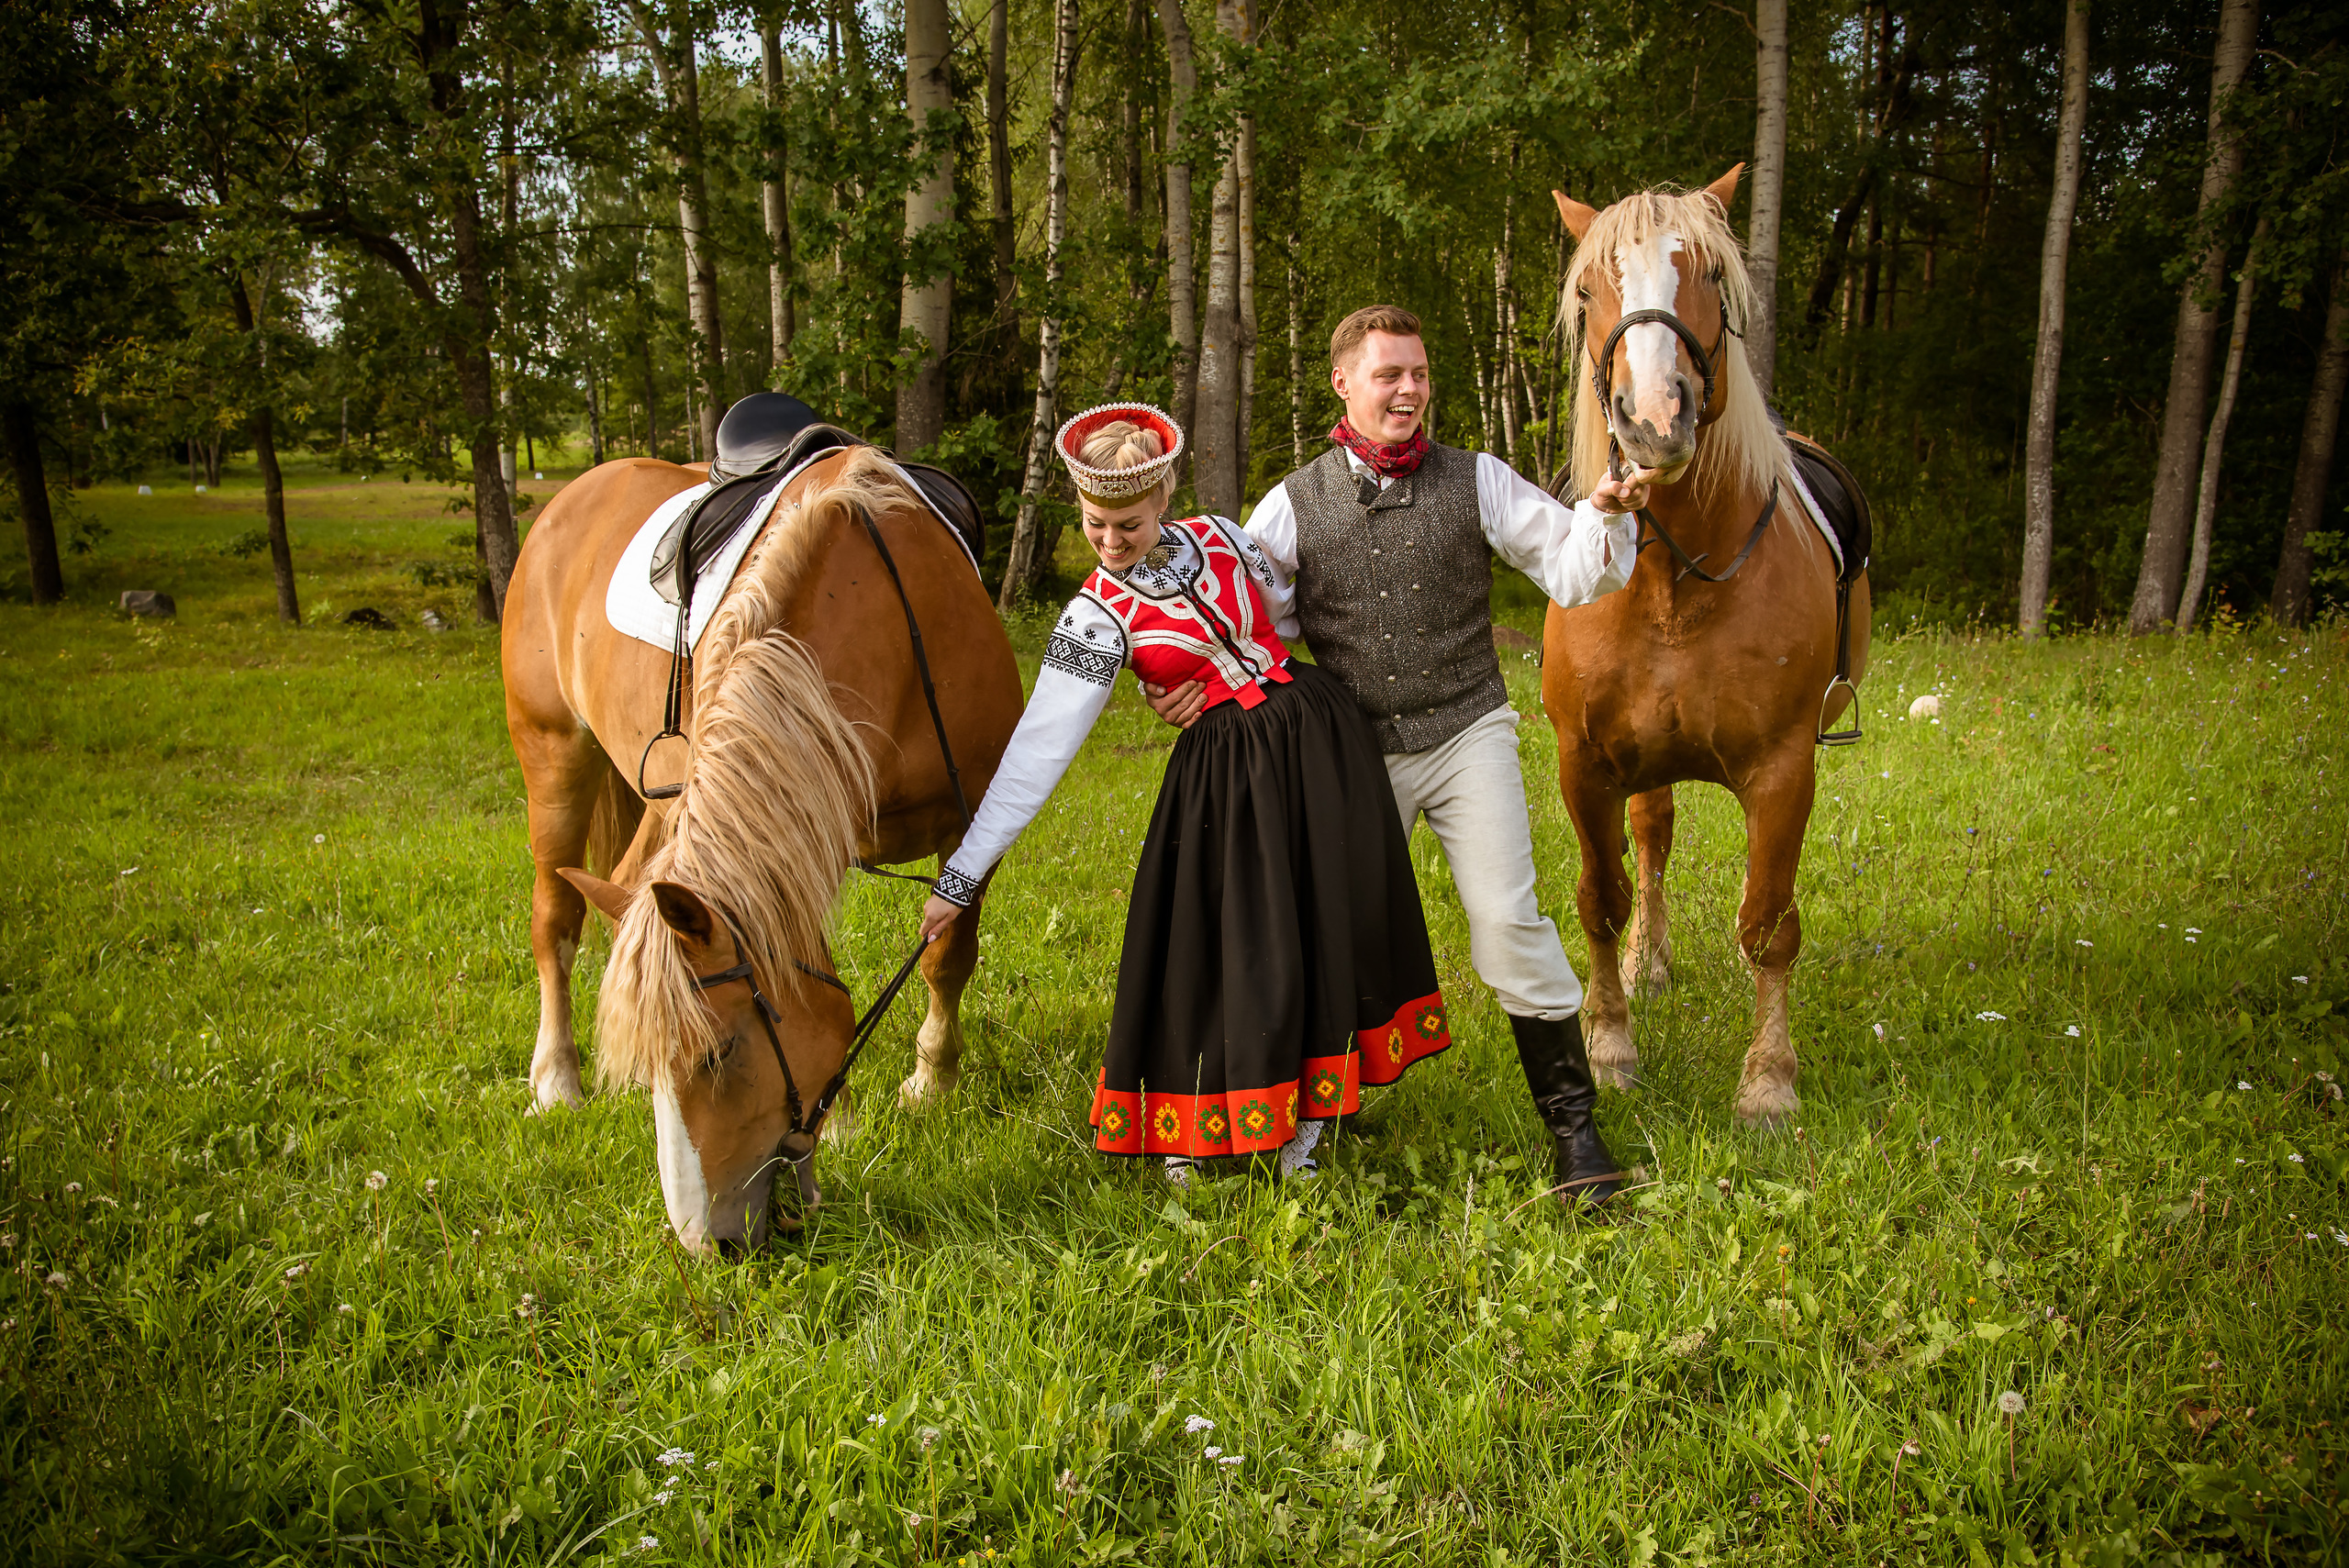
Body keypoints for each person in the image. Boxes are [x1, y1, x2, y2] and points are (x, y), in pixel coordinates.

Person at [1142, 305, 1654, 1210]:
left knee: (1506, 921)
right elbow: (1231, 615)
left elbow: (1577, 572)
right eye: (1389, 374)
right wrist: (1180, 679)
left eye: (1418, 373)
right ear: (1343, 383)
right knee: (1321, 930)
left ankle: (1574, 1128)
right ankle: (1310, 1112)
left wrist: (1605, 512)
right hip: (1344, 750)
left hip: (1466, 731)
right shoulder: (1291, 505)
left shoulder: (1478, 479)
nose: (1408, 390)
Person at [918, 404, 1453, 1184]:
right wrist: (961, 879)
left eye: (1127, 523)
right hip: (1226, 782)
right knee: (1235, 942)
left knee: (1320, 925)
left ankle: (1307, 1117)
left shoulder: (1224, 537)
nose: (1109, 541)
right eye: (1095, 523)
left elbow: (1290, 618)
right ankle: (1210, 1117)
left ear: (1164, 496)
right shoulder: (1096, 616)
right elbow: (1037, 753)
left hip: (1314, 741)